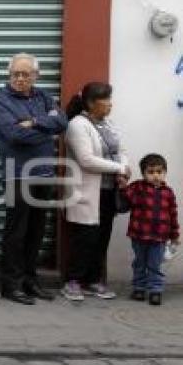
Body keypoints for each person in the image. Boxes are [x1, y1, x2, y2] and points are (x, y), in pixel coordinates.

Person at [0, 53, 68, 305]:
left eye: (26, 74)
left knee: (36, 230)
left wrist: (33, 122)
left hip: (43, 173)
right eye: (16, 74)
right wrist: (45, 130)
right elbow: (14, 136)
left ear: (36, 75)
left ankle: (30, 280)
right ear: (9, 74)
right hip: (17, 174)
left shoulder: (44, 96)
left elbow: (62, 122)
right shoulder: (1, 101)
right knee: (16, 232)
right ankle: (12, 285)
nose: (20, 78)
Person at [61, 82, 130, 301]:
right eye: (106, 100)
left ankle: (92, 281)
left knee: (102, 237)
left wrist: (123, 168)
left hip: (108, 191)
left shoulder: (107, 124)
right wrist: (119, 168)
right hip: (86, 192)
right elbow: (86, 160)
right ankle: (73, 282)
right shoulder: (77, 125)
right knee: (85, 238)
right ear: (91, 103)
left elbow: (121, 149)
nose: (110, 104)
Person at [121, 154, 179, 306]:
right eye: (151, 172)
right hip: (138, 235)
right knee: (139, 263)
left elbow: (173, 215)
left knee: (155, 264)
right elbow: (124, 196)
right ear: (143, 174)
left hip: (159, 238)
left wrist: (175, 236)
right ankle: (139, 287)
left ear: (164, 172)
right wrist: (122, 184)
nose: (155, 176)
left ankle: (155, 290)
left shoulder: (168, 193)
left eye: (159, 172)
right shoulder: (137, 187)